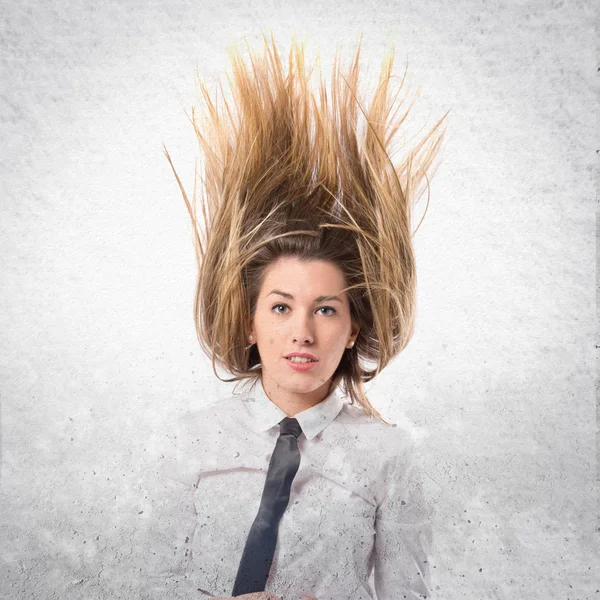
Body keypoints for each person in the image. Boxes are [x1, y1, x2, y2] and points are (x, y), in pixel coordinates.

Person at [143, 32, 448, 600]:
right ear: (249, 322)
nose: (302, 332)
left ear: (353, 325)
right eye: (280, 307)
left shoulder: (388, 456)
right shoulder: (192, 440)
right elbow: (153, 584)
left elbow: (410, 594)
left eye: (325, 309)